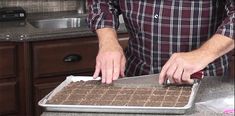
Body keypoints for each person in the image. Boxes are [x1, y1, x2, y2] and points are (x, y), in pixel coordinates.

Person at [87, 0, 234, 84]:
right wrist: (108, 42)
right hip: (136, 77)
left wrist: (202, 54)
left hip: (202, 81)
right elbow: (101, 3)